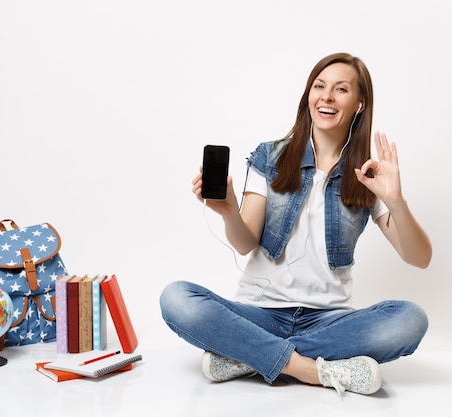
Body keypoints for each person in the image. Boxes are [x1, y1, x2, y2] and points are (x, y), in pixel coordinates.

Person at [159, 52, 431, 396]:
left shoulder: (366, 175)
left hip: (328, 320)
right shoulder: (270, 157)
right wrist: (229, 210)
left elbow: (419, 257)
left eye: (341, 89)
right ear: (308, 95)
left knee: (410, 319)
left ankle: (248, 355)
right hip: (260, 312)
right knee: (177, 298)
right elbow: (245, 243)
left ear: (360, 104)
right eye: (319, 86)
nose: (327, 97)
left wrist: (395, 201)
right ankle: (309, 369)